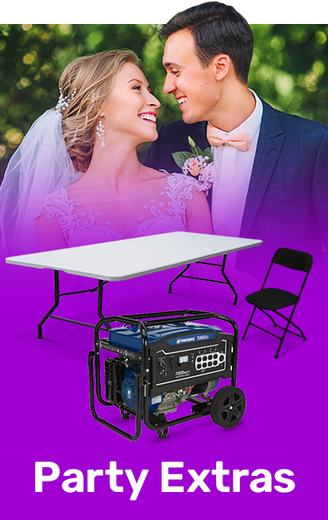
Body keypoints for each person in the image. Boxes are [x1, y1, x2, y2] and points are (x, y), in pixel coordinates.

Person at [145, 4, 328, 275]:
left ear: (220, 67)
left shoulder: (314, 145)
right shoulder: (166, 143)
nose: (167, 87)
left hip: (275, 314)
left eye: (175, 70)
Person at [0, 50, 213, 256]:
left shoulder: (186, 194)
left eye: (148, 90)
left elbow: (211, 282)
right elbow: (56, 292)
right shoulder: (54, 214)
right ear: (98, 104)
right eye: (137, 88)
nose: (155, 101)